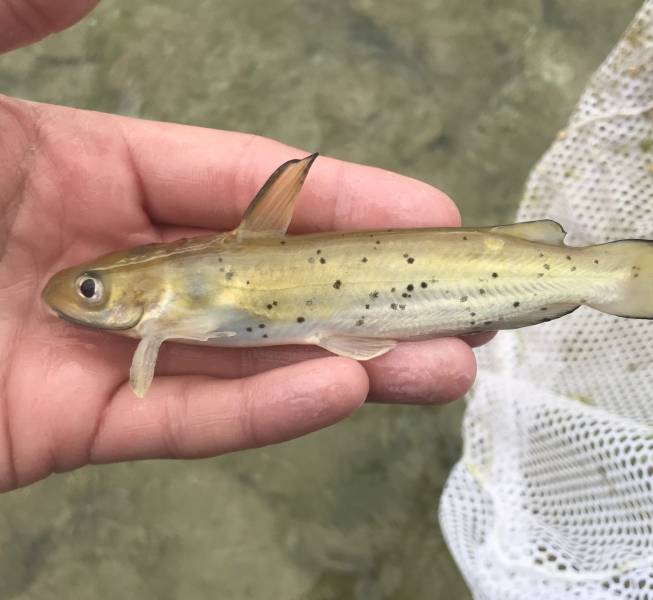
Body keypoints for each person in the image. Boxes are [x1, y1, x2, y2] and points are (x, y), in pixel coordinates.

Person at [0, 0, 488, 492]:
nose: (83, 296)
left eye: (91, 289)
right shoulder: (157, 317)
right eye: (92, 290)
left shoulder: (158, 316)